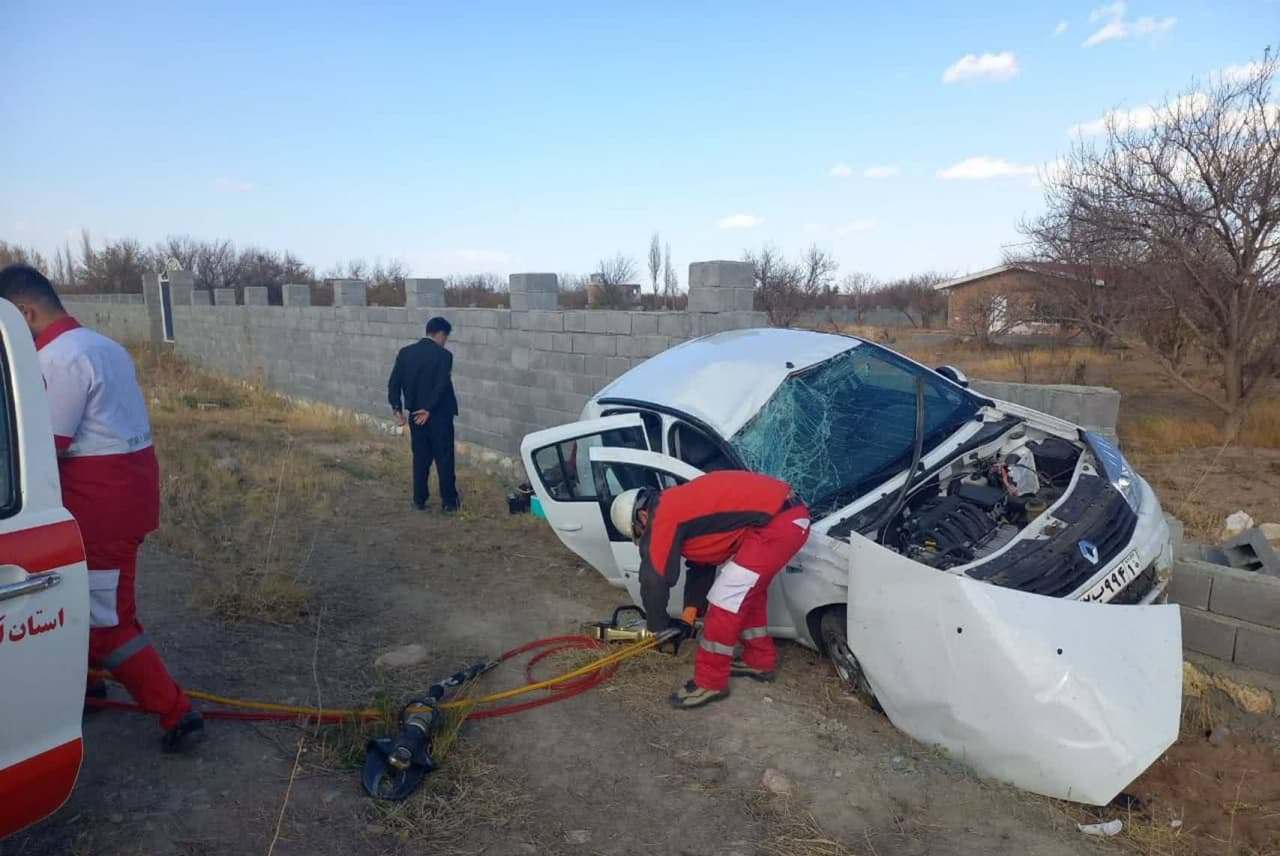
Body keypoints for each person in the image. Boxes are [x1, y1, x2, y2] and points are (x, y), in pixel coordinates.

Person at [0, 264, 203, 752]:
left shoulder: (56, 361)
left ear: (24, 312)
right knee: (81, 603)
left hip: (99, 510)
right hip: (122, 500)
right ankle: (90, 688)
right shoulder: (102, 346)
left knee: (109, 624)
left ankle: (177, 713)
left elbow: (42, 450)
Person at [610, 471, 810, 709]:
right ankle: (759, 660)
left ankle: (710, 682)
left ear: (643, 516)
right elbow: (702, 563)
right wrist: (689, 615)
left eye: (642, 534)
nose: (647, 539)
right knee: (747, 597)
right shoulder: (680, 506)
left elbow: (654, 579)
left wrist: (657, 629)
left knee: (725, 602)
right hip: (785, 516)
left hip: (778, 523)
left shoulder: (664, 515)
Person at [387, 316, 460, 512]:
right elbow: (441, 385)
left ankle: (419, 499)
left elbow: (394, 383)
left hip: (415, 416)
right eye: (446, 337)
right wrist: (428, 408)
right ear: (441, 334)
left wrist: (397, 409)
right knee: (444, 458)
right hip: (439, 415)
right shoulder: (444, 356)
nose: (445, 341)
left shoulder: (405, 353)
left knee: (420, 458)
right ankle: (449, 502)